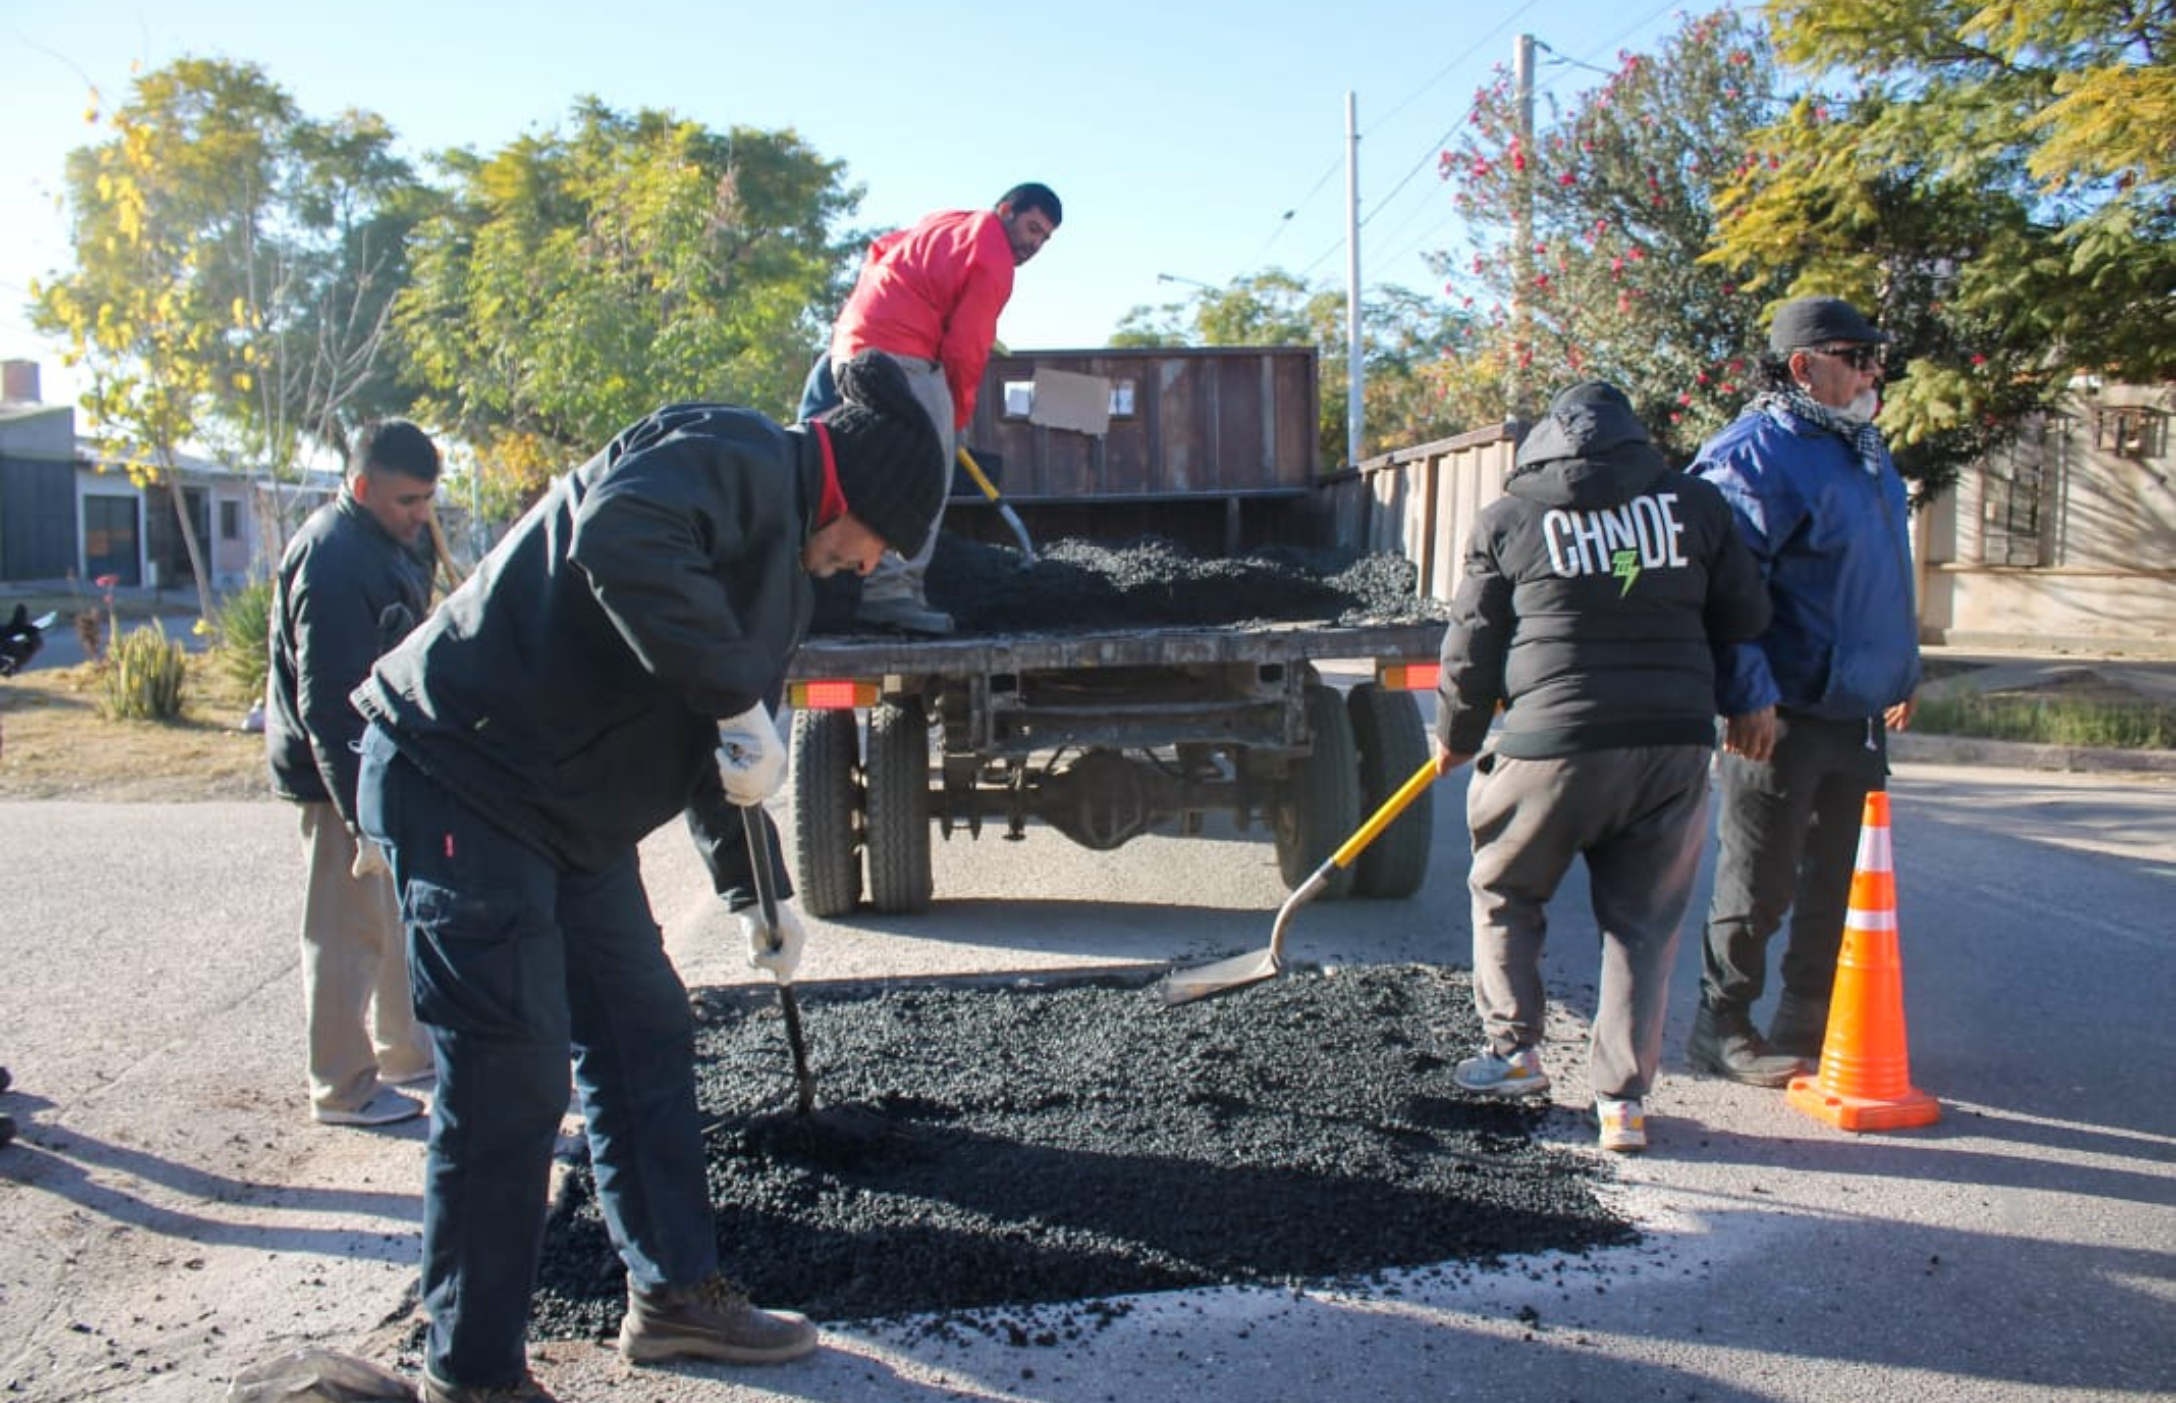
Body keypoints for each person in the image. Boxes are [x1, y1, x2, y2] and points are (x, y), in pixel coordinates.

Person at [351, 353, 946, 1403]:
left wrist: (758, 890)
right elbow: (620, 537)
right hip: (465, 775)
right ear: (852, 494)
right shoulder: (732, 451)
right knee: (509, 1074)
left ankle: (674, 1297)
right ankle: (473, 1371)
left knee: (643, 1030)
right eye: (879, 541)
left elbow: (724, 736)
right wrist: (734, 698)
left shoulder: (787, 572)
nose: (869, 564)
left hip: (563, 812)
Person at [1435, 381, 1770, 1152]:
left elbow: (1473, 641)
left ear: (1544, 444)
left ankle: (1513, 1053)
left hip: (1551, 744)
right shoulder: (1696, 507)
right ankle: (1622, 1103)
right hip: (1672, 744)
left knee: (1506, 888)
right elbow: (1747, 615)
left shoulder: (1508, 519)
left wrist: (1456, 733)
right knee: (1643, 925)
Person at [1686, 295, 1922, 1086]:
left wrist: (1900, 670)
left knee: (1843, 878)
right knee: (1760, 880)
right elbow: (1723, 589)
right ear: (1802, 366)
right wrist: (1746, 692)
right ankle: (1721, 1025)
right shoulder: (1755, 454)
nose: (1872, 373)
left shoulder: (1859, 447)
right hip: (1779, 711)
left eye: (1875, 358)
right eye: (1857, 358)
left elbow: (1880, 570)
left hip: (1855, 710)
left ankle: (1809, 1017)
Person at [266, 420, 441, 1127]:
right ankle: (340, 1086)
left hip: (384, 762)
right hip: (333, 771)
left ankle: (406, 1051)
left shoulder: (392, 540)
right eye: (407, 500)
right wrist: (358, 817)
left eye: (428, 498)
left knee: (395, 916)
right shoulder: (334, 559)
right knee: (346, 930)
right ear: (362, 487)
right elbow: (328, 704)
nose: (421, 514)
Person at [798, 182, 1063, 634]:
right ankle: (889, 591)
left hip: (849, 345)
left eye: (1045, 238)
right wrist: (955, 417)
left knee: (869, 465)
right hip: (900, 354)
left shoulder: (947, 222)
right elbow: (965, 350)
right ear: (1006, 210)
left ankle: (838, 577)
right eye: (1032, 228)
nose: (1034, 244)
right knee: (925, 472)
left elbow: (880, 249)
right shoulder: (993, 256)